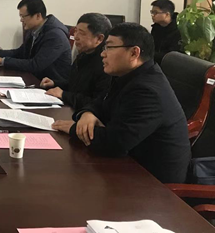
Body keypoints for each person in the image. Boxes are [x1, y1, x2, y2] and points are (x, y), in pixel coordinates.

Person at [52, 23, 191, 184]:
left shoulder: (147, 90)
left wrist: (74, 129)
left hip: (153, 185)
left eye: (109, 48)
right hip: (128, 168)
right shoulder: (129, 75)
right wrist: (88, 114)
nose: (103, 54)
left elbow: (114, 144)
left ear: (134, 53)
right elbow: (100, 102)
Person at [0, 0, 71, 86]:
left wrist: (2, 61)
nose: (21, 20)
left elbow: (35, 65)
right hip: (34, 79)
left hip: (51, 86)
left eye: (23, 16)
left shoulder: (55, 36)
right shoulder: (34, 30)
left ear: (38, 16)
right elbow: (21, 52)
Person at [40, 13, 112, 110]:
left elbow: (96, 103)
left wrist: (63, 95)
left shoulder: (106, 65)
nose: (75, 36)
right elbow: (75, 85)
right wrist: (54, 83)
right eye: (76, 31)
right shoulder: (83, 55)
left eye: (82, 33)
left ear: (99, 39)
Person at [150, 0, 182, 64]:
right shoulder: (156, 27)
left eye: (155, 12)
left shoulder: (178, 30)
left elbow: (172, 56)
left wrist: (150, 55)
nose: (152, 15)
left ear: (167, 14)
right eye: (152, 12)